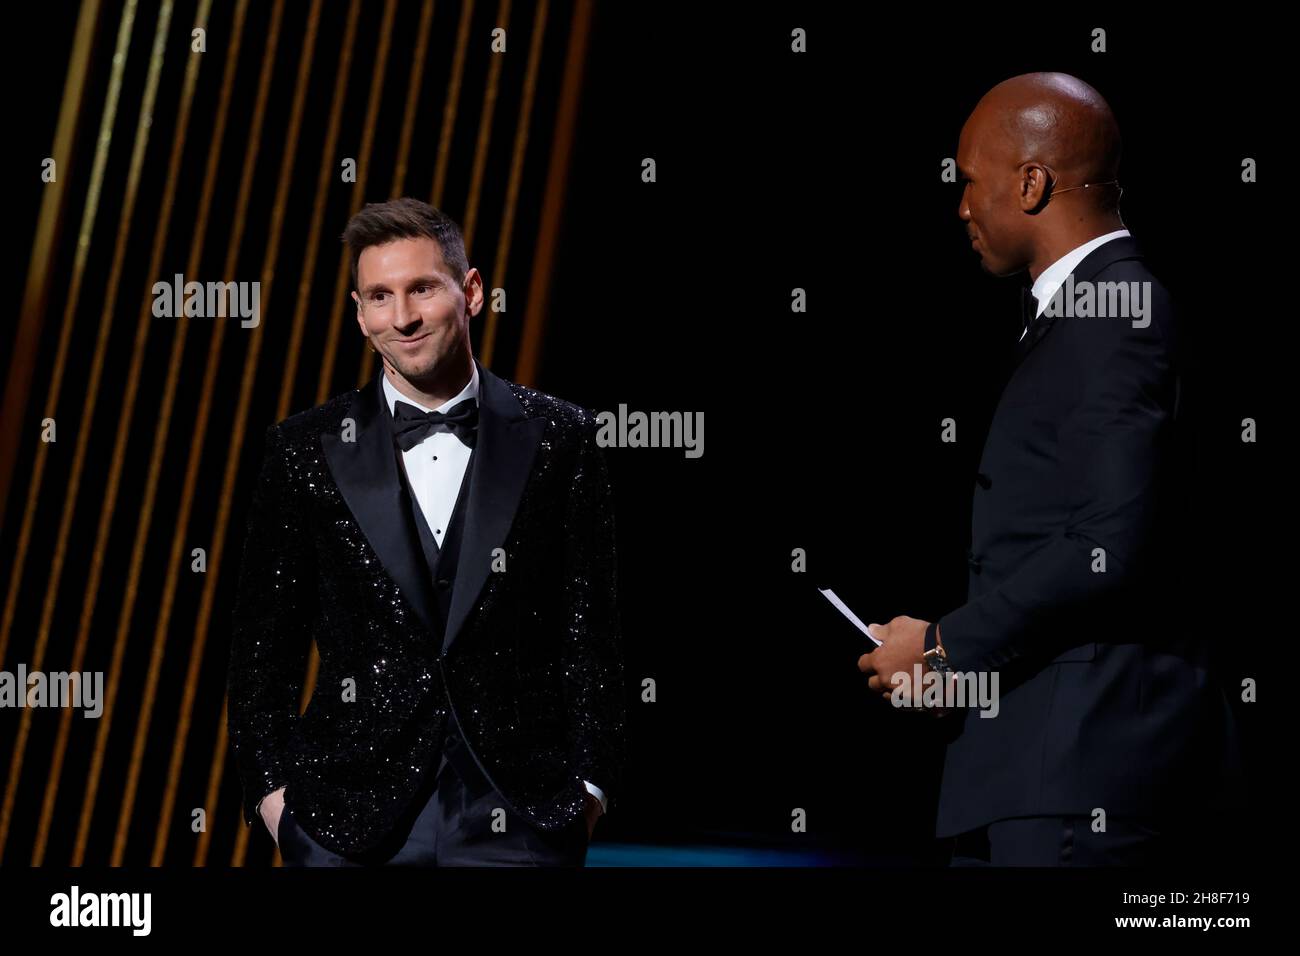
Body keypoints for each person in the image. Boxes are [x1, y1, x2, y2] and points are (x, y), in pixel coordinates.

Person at [857, 73, 1240, 866]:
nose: (961, 207)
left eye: (968, 181)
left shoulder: (1117, 310)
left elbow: (1109, 543)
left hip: (1082, 775)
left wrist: (940, 648)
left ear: (1030, 182)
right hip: (1036, 770)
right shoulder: (1079, 314)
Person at [227, 197, 625, 866]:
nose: (402, 317)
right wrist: (273, 798)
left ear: (470, 292)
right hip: (344, 821)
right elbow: (261, 648)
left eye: (421, 289)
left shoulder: (563, 437)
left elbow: (594, 633)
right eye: (379, 296)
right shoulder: (303, 449)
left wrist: (588, 792)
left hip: (520, 816)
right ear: (359, 314)